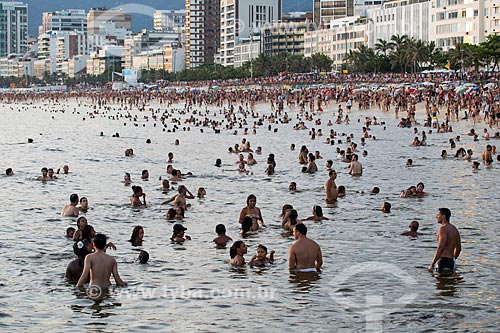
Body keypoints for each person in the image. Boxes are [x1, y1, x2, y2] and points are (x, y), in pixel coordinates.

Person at [428, 208, 461, 273]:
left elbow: (440, 248)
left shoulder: (443, 229)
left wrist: (432, 264)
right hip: (451, 261)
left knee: (440, 282)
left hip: (443, 260)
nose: (436, 217)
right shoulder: (454, 229)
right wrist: (453, 259)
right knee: (450, 281)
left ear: (443, 216)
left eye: (438, 215)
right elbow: (459, 248)